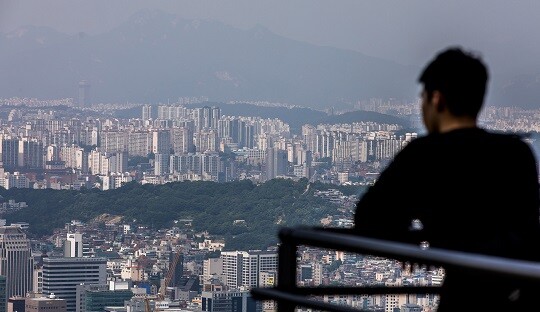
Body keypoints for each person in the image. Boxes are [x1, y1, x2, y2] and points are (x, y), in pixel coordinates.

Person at [353, 47, 540, 310]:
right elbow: (529, 229)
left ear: (437, 100)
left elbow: (369, 218)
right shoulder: (516, 153)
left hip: (462, 295)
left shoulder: (425, 154)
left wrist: (409, 238)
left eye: (423, 99)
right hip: (519, 293)